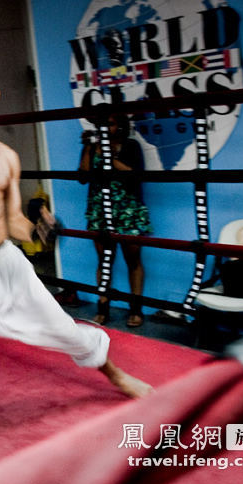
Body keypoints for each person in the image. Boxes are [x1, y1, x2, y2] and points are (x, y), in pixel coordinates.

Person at [0, 62, 153, 405]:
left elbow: (13, 219)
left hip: (6, 264)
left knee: (64, 329)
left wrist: (39, 231)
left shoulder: (8, 157)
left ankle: (117, 376)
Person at [78, 114, 152, 327]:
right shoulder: (93, 147)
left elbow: (135, 174)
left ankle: (136, 309)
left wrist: (109, 156)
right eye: (101, 123)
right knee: (104, 261)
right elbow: (83, 177)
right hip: (100, 210)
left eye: (109, 123)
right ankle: (103, 307)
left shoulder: (131, 145)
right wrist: (88, 149)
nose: (105, 128)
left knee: (133, 260)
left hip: (128, 209)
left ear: (120, 125)